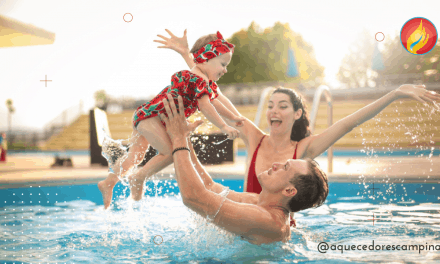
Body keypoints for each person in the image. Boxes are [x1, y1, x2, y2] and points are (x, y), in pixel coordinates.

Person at [156, 28, 440, 223]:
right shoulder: (255, 139)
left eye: (281, 106)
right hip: (237, 216)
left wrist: (394, 94)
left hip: (265, 226)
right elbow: (211, 91)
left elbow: (348, 123)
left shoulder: (303, 151)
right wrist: (188, 58)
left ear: (297, 114)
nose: (273, 111)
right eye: (270, 106)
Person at [98, 31, 246, 209]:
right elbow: (207, 106)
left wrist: (234, 117)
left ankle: (109, 181)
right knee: (171, 153)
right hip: (153, 118)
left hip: (146, 115)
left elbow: (215, 101)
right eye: (223, 64)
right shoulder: (198, 80)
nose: (225, 70)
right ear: (206, 59)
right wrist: (223, 126)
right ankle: (138, 177)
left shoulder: (202, 80)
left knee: (136, 156)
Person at [160, 94, 329, 245]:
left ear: (289, 190)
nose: (276, 164)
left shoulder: (267, 221)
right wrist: (184, 137)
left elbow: (193, 198)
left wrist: (178, 138)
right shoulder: (257, 201)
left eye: (285, 167)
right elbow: (209, 187)